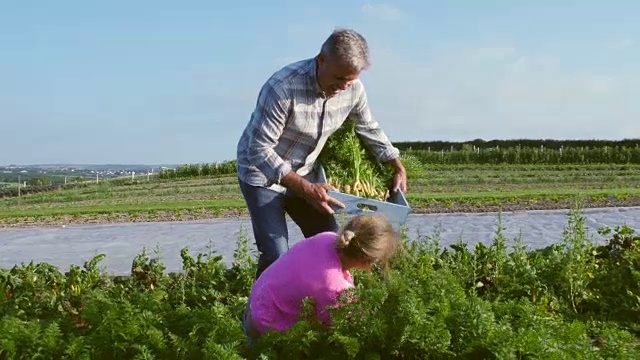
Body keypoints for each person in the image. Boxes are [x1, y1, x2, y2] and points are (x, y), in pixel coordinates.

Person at [236, 28, 408, 280]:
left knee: (331, 244)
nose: (343, 86)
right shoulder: (283, 88)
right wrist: (305, 188)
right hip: (260, 175)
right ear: (321, 60)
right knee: (275, 253)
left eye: (350, 80)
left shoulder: (353, 89)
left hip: (305, 173)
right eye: (339, 78)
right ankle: (258, 314)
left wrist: (395, 164)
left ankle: (319, 303)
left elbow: (368, 127)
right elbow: (259, 149)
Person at [242, 213, 400, 344]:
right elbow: (339, 328)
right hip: (263, 327)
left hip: (255, 300)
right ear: (369, 262)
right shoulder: (335, 290)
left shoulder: (327, 238)